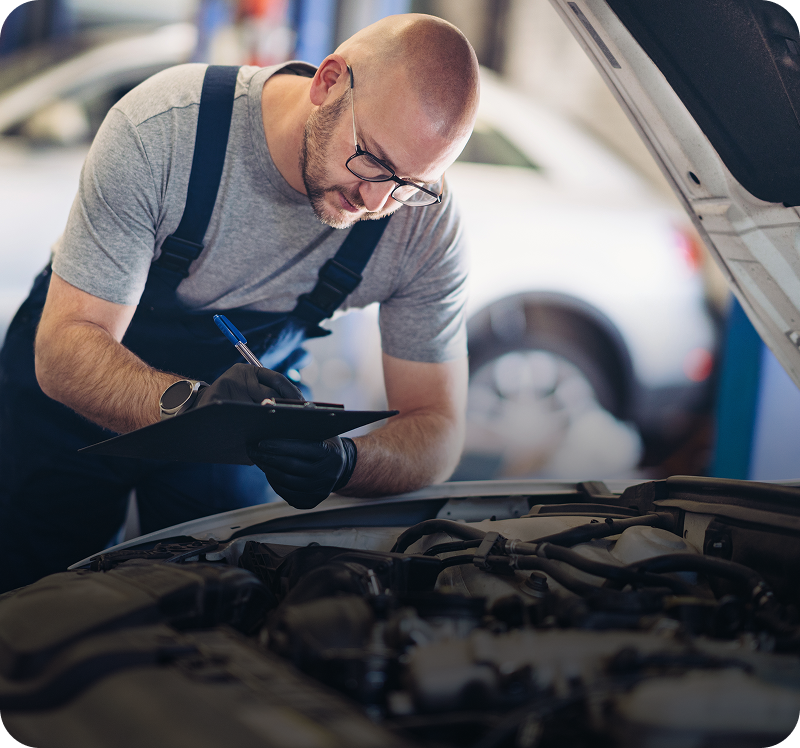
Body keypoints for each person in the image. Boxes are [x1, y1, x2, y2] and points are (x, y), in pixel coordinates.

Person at [0, 13, 479, 591]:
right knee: (36, 595)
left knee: (214, 597)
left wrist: (345, 462)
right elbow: (63, 348)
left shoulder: (424, 226)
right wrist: (197, 409)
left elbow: (438, 427)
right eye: (372, 159)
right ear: (328, 82)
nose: (375, 201)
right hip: (73, 402)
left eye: (410, 184)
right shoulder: (165, 129)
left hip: (234, 434)